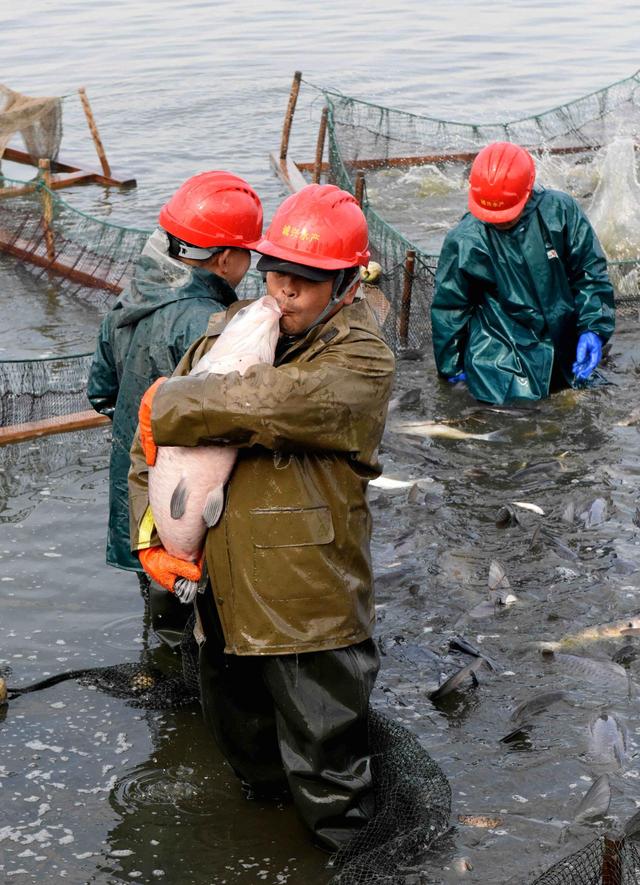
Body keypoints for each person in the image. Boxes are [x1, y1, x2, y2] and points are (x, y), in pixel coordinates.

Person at [127, 183, 396, 852]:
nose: (283, 290)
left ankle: (342, 856)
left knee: (329, 769)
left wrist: (166, 400)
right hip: (222, 594)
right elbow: (152, 447)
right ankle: (268, 838)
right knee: (242, 741)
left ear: (346, 285)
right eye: (275, 270)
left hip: (309, 605)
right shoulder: (237, 327)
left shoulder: (362, 360)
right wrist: (150, 535)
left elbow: (260, 402)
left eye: (304, 281)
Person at [87, 171, 263, 647]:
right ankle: (193, 695)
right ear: (226, 258)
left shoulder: (128, 303)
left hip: (136, 494)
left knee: (162, 606)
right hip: (187, 501)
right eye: (250, 252)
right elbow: (236, 419)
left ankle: (164, 682)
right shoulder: (211, 324)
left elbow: (100, 393)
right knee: (205, 614)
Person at [431, 141, 616, 405]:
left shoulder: (561, 211)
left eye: (507, 214)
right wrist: (450, 365)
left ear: (527, 191)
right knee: (511, 424)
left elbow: (590, 273)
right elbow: (450, 307)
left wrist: (593, 328)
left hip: (563, 346)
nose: (501, 221)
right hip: (497, 358)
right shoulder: (464, 239)